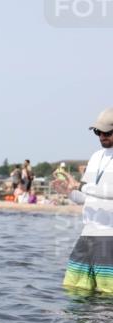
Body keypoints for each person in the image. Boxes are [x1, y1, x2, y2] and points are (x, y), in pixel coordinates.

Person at [63, 107, 113, 294]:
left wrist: (81, 186)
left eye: (107, 132)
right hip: (88, 233)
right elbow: (85, 197)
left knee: (107, 297)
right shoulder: (95, 157)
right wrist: (68, 191)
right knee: (73, 289)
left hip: (110, 236)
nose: (102, 136)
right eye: (97, 132)